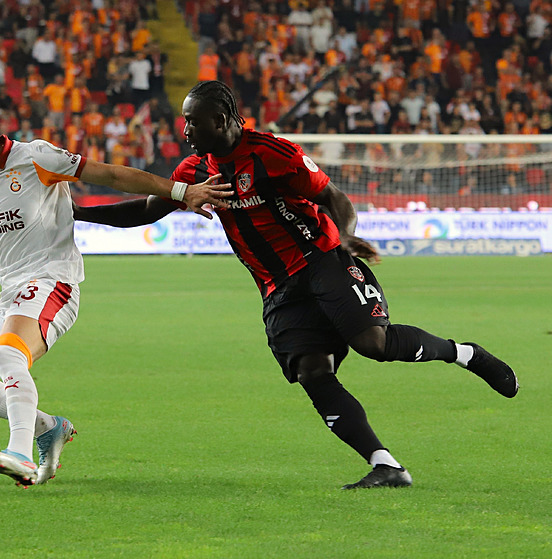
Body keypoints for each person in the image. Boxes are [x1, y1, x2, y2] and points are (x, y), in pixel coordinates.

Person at [73, 81, 519, 489]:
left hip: (321, 259)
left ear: (221, 121)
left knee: (373, 343)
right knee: (312, 371)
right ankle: (386, 464)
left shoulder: (273, 153)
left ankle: (466, 354)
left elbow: (334, 197)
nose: (185, 129)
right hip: (277, 286)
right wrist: (77, 213)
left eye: (193, 120)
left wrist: (346, 236)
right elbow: (146, 211)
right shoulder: (196, 170)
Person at [0, 100, 231, 487]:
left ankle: (18, 454)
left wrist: (182, 191)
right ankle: (48, 428)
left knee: (7, 354)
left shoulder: (35, 158)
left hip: (54, 282)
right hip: (13, 294)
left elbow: (112, 175)